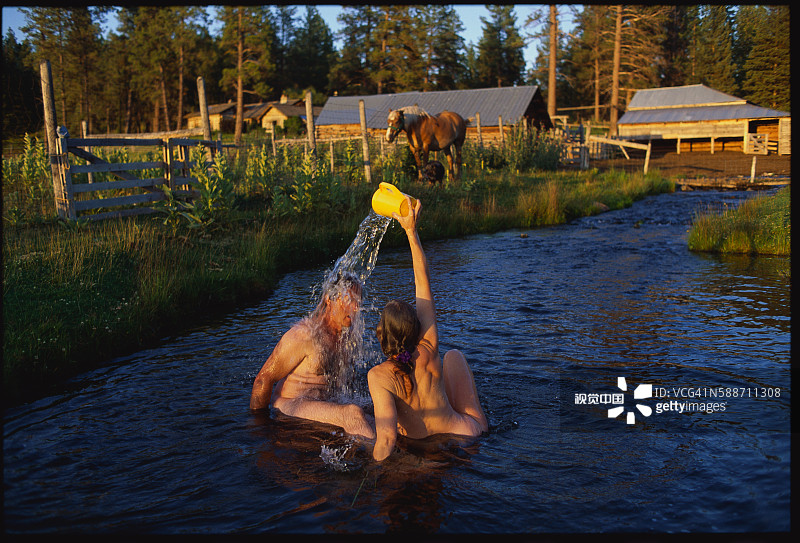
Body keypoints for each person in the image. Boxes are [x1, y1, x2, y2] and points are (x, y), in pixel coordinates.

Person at [368, 197, 488, 461]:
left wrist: (370, 477)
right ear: (416, 329)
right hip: (467, 435)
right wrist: (411, 231)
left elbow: (386, 438)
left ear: (382, 336)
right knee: (454, 356)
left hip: (421, 449)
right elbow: (423, 282)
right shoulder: (429, 348)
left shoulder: (379, 377)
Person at [249, 272, 376, 440]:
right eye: (350, 300)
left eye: (358, 301)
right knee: (352, 415)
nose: (356, 308)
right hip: (289, 406)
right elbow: (263, 380)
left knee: (381, 408)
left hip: (324, 404)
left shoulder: (349, 337)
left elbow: (346, 384)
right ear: (330, 299)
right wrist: (260, 429)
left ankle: (405, 453)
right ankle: (384, 463)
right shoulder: (306, 334)